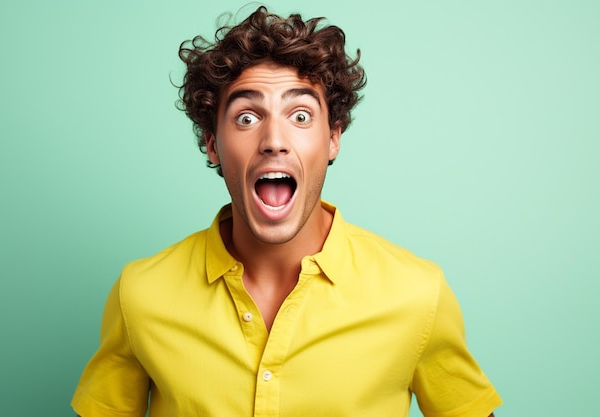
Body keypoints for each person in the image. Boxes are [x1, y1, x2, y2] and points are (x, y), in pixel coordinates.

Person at [71, 6, 502, 417]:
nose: (274, 140)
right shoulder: (141, 295)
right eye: (245, 118)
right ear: (212, 142)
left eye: (300, 115)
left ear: (333, 137)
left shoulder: (417, 294)